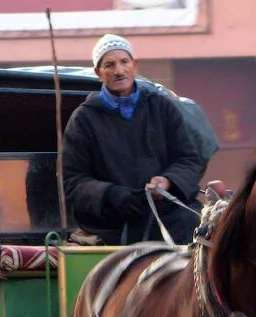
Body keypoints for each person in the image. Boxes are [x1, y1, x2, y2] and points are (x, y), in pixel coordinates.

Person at [63, 34, 204, 245]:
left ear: (134, 65)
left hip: (168, 217)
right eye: (109, 65)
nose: (119, 71)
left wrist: (168, 181)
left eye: (124, 62)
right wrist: (111, 194)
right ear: (98, 73)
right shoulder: (84, 119)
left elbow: (188, 159)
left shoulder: (162, 107)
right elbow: (72, 181)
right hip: (112, 224)